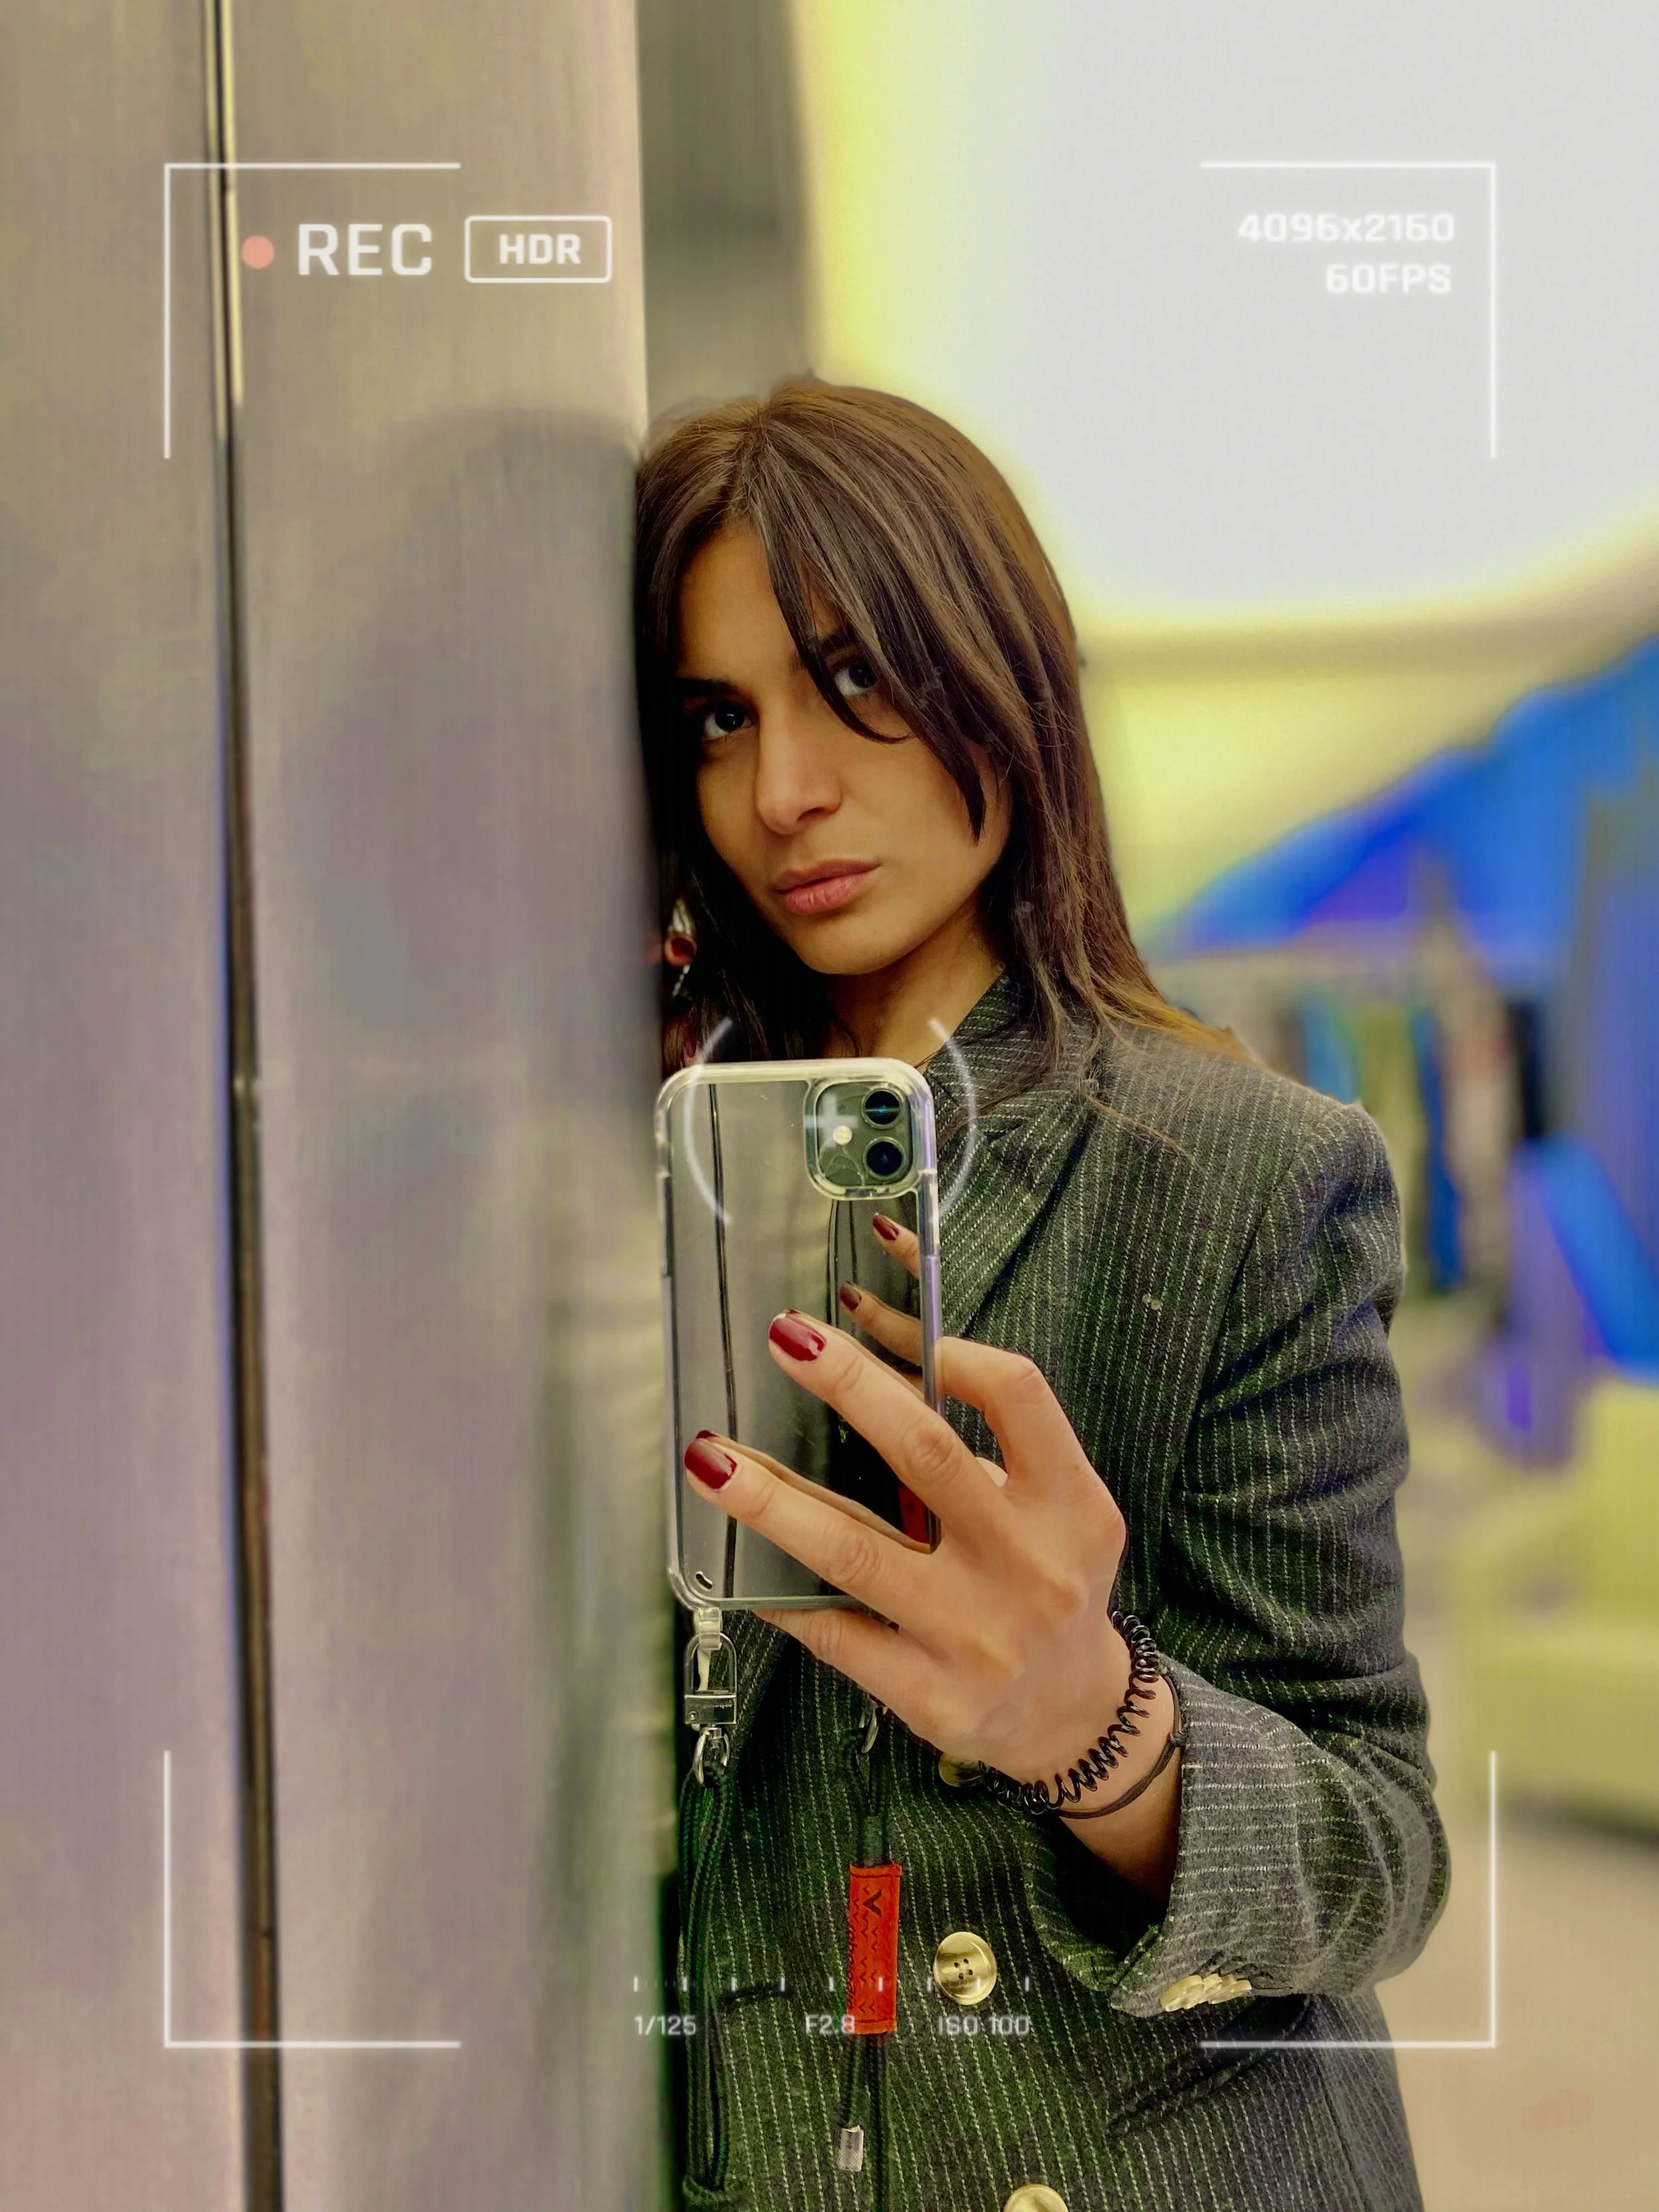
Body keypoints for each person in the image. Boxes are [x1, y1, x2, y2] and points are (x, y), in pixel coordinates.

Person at [634, 378, 1450, 2212]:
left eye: (855, 678)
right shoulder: (651, 1157)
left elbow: (1381, 1857)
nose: (783, 792)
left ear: (996, 674)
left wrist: (1097, 1727)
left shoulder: (1241, 1172)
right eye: (717, 717)